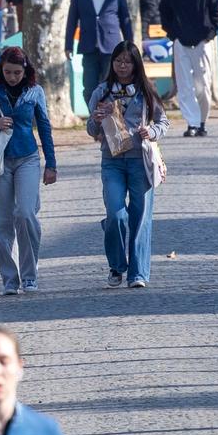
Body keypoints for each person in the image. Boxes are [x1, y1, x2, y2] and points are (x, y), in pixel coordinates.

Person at [0, 49, 60, 294]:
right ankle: (9, 279)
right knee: (3, 221)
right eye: (7, 72)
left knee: (26, 213)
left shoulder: (35, 92)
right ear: (1, 70)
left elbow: (45, 129)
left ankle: (30, 275)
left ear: (26, 70)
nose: (12, 77)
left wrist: (51, 164)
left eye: (17, 72)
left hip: (27, 158)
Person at [86, 42, 165, 289]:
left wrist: (151, 131)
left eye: (127, 61)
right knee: (116, 215)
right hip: (112, 162)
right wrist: (96, 121)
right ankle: (117, 265)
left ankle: (138, 273)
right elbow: (90, 129)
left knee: (140, 217)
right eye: (118, 61)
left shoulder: (146, 92)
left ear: (136, 64)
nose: (122, 66)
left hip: (141, 162)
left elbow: (164, 123)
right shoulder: (102, 92)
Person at [158, 0, 218, 138]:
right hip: (181, 43)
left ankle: (202, 121)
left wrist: (209, 35)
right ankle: (192, 123)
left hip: (203, 43)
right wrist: (174, 35)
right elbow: (165, 16)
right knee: (184, 84)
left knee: (202, 84)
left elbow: (217, 15)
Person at [66, 0, 134, 100]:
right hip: (88, 45)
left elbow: (125, 18)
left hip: (111, 46)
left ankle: (108, 121)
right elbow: (72, 18)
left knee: (110, 85)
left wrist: (130, 45)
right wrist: (68, 45)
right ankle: (96, 118)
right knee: (89, 88)